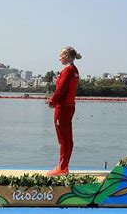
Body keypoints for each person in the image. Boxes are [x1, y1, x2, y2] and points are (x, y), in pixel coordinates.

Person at [46, 47, 81, 176]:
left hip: (62, 108)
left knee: (63, 139)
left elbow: (61, 89)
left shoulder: (68, 71)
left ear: (66, 55)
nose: (59, 58)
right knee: (67, 138)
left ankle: (62, 167)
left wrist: (52, 101)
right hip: (69, 106)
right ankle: (64, 166)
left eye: (61, 55)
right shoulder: (74, 70)